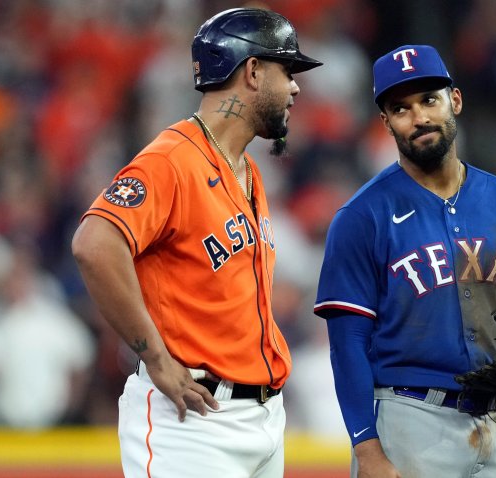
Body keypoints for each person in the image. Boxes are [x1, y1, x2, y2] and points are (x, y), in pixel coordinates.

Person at [71, 8, 320, 478]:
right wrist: (156, 359)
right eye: (287, 70)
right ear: (252, 71)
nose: (295, 87)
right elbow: (94, 244)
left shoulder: (246, 169)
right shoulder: (171, 159)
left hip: (264, 415)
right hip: (193, 422)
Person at [314, 45, 496, 477]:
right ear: (386, 123)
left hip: (493, 422)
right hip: (409, 421)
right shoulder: (361, 216)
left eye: (429, 99)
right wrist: (368, 450)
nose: (419, 117)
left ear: (456, 100)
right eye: (401, 108)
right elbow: (347, 345)